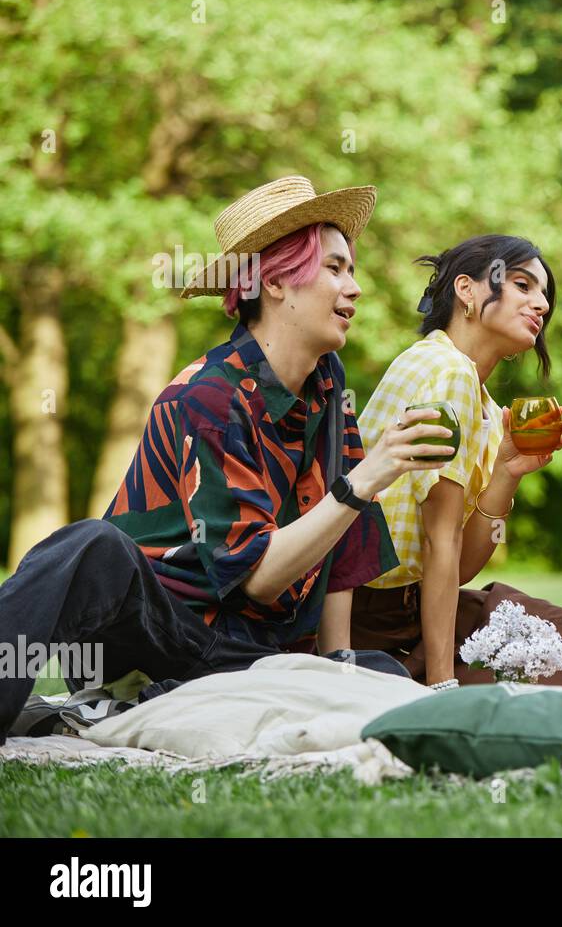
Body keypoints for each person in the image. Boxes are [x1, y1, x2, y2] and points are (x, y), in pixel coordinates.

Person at [0, 176, 455, 742]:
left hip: (255, 654)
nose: (355, 287)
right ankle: (118, 696)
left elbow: (341, 553)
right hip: (162, 631)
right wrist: (365, 479)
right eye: (335, 268)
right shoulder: (208, 397)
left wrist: (338, 664)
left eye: (352, 269)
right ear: (276, 282)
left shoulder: (329, 386)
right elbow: (260, 578)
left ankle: (131, 710)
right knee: (92, 544)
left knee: (381, 675)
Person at [348, 235, 562, 687]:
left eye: (544, 294)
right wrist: (441, 682)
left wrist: (506, 472)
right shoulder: (448, 372)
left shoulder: (482, 401)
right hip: (372, 615)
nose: (542, 305)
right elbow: (439, 541)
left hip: (411, 608)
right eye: (522, 285)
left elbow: (462, 563)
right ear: (467, 291)